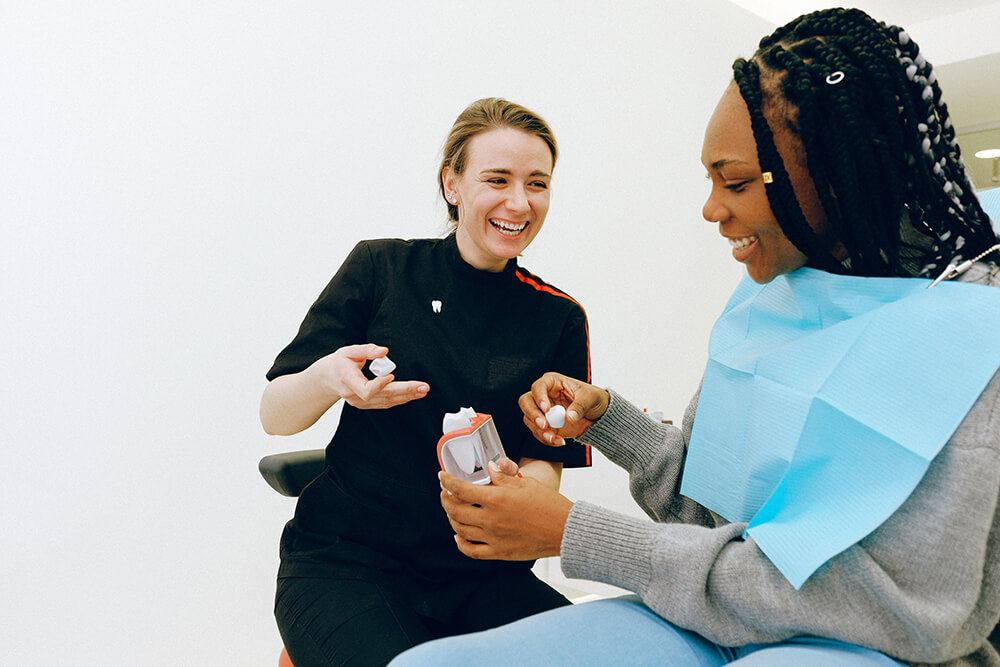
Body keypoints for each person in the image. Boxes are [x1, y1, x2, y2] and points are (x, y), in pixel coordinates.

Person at [389, 9, 1000, 667]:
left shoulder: (970, 332)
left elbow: (904, 613)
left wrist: (576, 533)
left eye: (734, 181)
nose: (711, 208)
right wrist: (612, 423)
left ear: (833, 173)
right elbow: (715, 520)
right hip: (722, 620)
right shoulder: (773, 297)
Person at [260, 97, 592, 667]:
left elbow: (545, 465)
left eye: (537, 183)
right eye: (497, 179)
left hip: (481, 576)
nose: (519, 202)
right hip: (348, 565)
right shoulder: (381, 270)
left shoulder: (558, 316)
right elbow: (275, 415)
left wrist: (519, 486)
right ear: (453, 184)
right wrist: (328, 377)